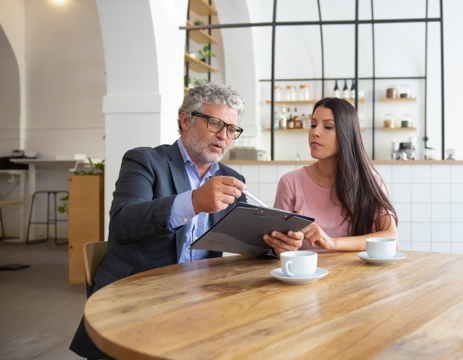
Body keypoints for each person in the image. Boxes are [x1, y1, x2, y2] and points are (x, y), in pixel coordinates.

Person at [70, 83, 303, 359]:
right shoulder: (144, 160)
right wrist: (193, 202)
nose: (224, 137)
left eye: (231, 129)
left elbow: (243, 238)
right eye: (216, 124)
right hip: (137, 295)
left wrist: (275, 245)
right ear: (185, 120)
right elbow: (123, 223)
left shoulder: (231, 178)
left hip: (202, 297)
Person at [268, 97, 398, 251]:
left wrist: (332, 242)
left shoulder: (369, 181)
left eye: (328, 127)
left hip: (359, 273)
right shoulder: (290, 182)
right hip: (307, 274)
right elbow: (277, 244)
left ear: (346, 134)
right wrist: (282, 246)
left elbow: (391, 239)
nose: (315, 132)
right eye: (313, 125)